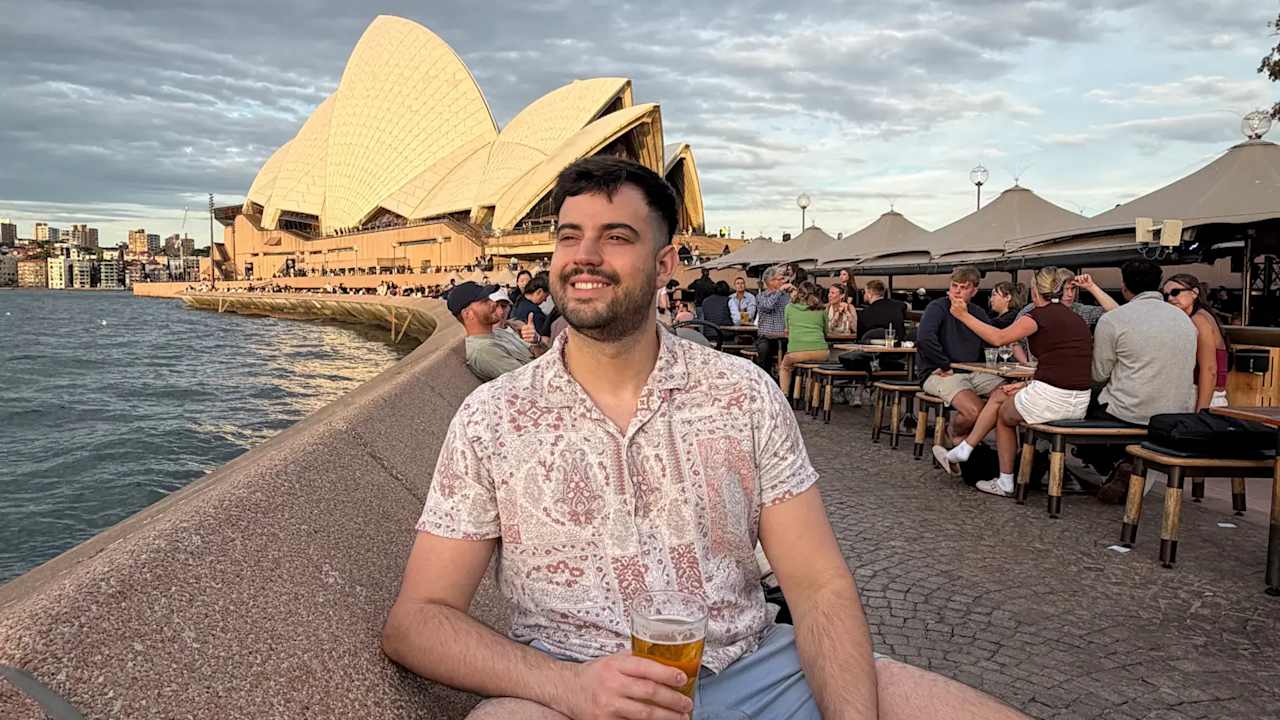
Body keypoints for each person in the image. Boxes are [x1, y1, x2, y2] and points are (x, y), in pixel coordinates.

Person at [383, 155, 1026, 720]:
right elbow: (417, 620)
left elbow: (818, 586)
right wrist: (568, 687)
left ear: (665, 263)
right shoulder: (494, 417)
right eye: (570, 236)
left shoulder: (742, 394)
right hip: (570, 684)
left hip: (757, 669)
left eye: (616, 237)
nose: (585, 256)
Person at [934, 267, 1094, 498]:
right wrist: (1027, 385)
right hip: (1079, 399)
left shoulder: (1037, 316)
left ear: (1034, 290)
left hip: (1054, 398)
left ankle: (1005, 481)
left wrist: (962, 315)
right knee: (1001, 393)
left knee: (1005, 416)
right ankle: (964, 449)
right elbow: (1063, 363)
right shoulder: (1075, 318)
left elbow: (998, 338)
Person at [1081, 260, 1198, 496]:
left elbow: (1098, 374)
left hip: (1129, 411)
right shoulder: (1184, 320)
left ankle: (1113, 465)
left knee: (1076, 404)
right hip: (1177, 411)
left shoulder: (1113, 319)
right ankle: (1125, 465)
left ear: (1124, 287)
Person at [917, 266, 1002, 441]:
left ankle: (966, 442)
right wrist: (944, 365)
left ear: (974, 291)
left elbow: (990, 341)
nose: (957, 291)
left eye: (963, 287)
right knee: (974, 411)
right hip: (940, 372)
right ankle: (954, 433)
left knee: (1010, 400)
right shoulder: (937, 307)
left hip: (974, 372)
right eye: (954, 285)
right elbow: (925, 338)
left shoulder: (978, 313)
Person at [449, 281, 545, 382]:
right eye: (485, 301)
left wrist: (536, 341)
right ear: (468, 314)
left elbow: (539, 354)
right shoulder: (483, 350)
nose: (493, 303)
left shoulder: (498, 332)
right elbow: (530, 381)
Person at [1163, 272, 1230, 409]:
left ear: (1194, 293)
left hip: (1203, 397)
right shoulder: (1198, 317)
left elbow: (1209, 369)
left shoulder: (1199, 320)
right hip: (1204, 396)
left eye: (1175, 292)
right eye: (1166, 295)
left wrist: (1201, 412)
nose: (1170, 298)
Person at [779, 281, 830, 396]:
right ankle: (812, 397)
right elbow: (826, 332)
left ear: (799, 293)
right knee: (815, 370)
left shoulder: (789, 308)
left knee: (785, 367)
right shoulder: (821, 309)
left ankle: (784, 395)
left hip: (797, 352)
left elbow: (787, 329)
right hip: (821, 352)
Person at [754, 265, 792, 378]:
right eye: (780, 279)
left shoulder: (787, 297)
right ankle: (764, 379)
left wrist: (795, 294)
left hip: (784, 337)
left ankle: (787, 384)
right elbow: (768, 306)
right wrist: (779, 291)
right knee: (764, 350)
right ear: (770, 281)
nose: (783, 281)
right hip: (766, 337)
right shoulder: (761, 296)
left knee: (793, 354)